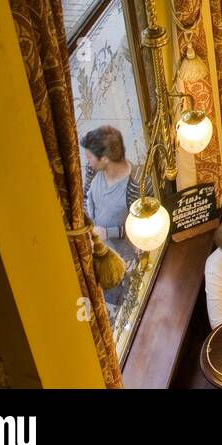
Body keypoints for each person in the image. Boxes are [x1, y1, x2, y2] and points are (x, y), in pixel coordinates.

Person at [81, 126, 141, 309]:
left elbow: (139, 230)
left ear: (105, 159)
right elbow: (84, 198)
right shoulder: (93, 171)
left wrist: (107, 232)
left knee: (123, 304)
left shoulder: (134, 184)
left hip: (122, 261)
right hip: (97, 253)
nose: (87, 160)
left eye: (90, 156)